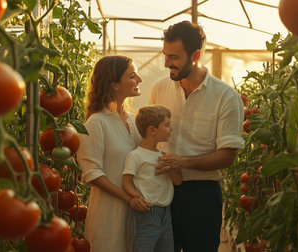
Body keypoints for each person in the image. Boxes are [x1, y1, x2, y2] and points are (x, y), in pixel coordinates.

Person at [148, 21, 245, 252]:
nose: (166, 63)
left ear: (196, 55)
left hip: (201, 194)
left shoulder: (226, 96)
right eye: (165, 55)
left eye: (174, 57)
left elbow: (227, 156)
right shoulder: (159, 89)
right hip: (162, 189)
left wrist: (184, 162)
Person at [76, 55, 150, 252]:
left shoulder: (136, 121)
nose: (139, 80)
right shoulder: (96, 123)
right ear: (114, 84)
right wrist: (129, 198)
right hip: (109, 211)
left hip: (137, 212)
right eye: (132, 76)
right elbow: (93, 173)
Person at [122, 105, 183, 252]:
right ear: (152, 130)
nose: (171, 128)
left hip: (166, 214)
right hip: (146, 214)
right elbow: (127, 182)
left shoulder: (164, 154)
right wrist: (137, 197)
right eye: (167, 125)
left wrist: (174, 168)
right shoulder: (135, 156)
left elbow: (178, 181)